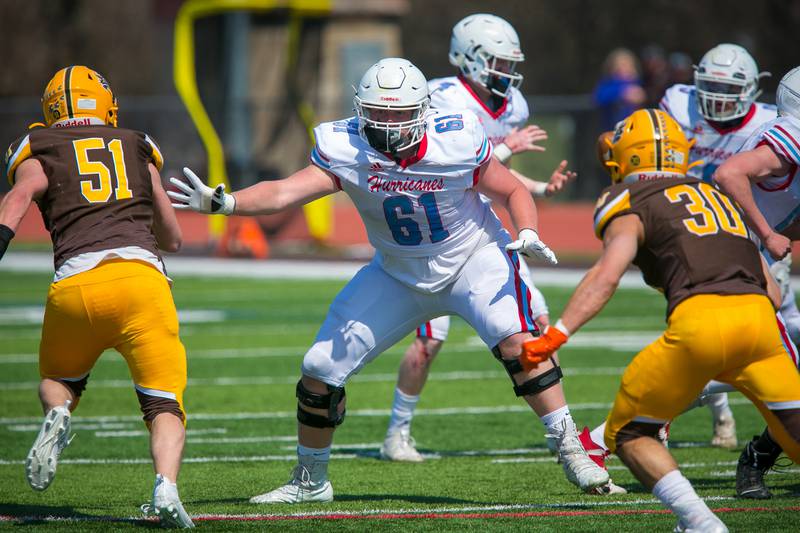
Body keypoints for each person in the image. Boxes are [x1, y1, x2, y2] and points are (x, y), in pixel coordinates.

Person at [168, 57, 613, 502]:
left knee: (516, 341)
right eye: (377, 112)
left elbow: (511, 189)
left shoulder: (455, 139)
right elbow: (286, 190)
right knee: (319, 369)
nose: (387, 123)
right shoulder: (345, 145)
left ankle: (571, 447)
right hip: (398, 271)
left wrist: (528, 230)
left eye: (398, 112)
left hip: (473, 258)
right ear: (361, 109)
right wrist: (227, 203)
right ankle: (311, 480)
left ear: (423, 110)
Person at [520, 108, 800, 533]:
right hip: (762, 327)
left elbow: (605, 276)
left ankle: (700, 522)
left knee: (629, 435)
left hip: (700, 325)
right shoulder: (717, 195)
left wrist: (557, 334)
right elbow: (775, 294)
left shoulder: (628, 199)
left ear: (628, 157)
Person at [377, 13, 613, 494]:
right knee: (429, 340)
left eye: (510, 63)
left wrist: (540, 186)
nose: (507, 71)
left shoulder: (512, 105)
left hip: (482, 228)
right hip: (434, 229)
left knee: (533, 326)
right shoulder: (440, 98)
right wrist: (505, 149)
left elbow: (490, 175)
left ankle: (562, 433)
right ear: (469, 58)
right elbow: (445, 167)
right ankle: (395, 433)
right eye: (498, 61)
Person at [0, 66, 193, 528]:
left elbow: (21, 194)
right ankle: (165, 487)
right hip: (143, 281)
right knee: (164, 405)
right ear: (106, 106)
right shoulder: (137, 144)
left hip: (77, 284)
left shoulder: (38, 145)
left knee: (57, 381)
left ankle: (60, 414)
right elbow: (173, 237)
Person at [580, 44, 779, 456]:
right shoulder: (678, 103)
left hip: (743, 237)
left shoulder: (768, 123)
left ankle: (651, 416)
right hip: (691, 232)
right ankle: (661, 417)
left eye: (728, 89)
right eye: (710, 87)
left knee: (739, 339)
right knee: (729, 337)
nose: (718, 98)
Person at [713, 65, 800, 499]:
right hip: (733, 256)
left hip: (746, 253)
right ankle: (611, 435)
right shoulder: (789, 135)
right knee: (760, 363)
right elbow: (729, 174)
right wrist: (768, 235)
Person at [593, 48, 646, 132]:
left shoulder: (637, 83)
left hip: (634, 131)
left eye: (628, 65)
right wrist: (622, 93)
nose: (624, 68)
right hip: (612, 130)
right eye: (620, 65)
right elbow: (598, 98)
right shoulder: (608, 83)